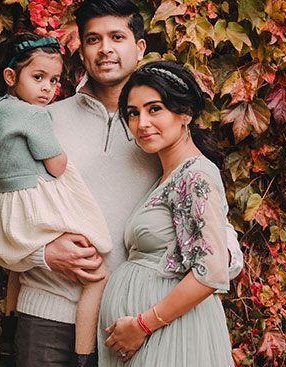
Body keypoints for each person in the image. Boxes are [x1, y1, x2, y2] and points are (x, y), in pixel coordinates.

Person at [0, 1, 243, 366]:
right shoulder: (40, 120)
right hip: (47, 318)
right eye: (93, 39)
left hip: (130, 327)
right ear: (81, 51)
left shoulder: (158, 133)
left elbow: (211, 225)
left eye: (117, 37)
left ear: (140, 47)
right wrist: (44, 254)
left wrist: (218, 264)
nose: (105, 49)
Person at [0, 32, 112, 359]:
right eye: (38, 77)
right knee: (96, 269)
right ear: (11, 77)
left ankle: (9, 331)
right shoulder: (36, 115)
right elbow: (56, 166)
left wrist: (6, 160)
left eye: (54, 80)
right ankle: (85, 356)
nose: (47, 88)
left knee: (17, 267)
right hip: (36, 200)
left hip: (3, 200)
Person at [97, 60, 234, 366]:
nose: (142, 122)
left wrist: (143, 325)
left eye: (154, 109)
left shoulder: (195, 175)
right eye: (133, 113)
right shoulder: (168, 176)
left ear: (185, 113)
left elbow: (211, 270)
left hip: (167, 337)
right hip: (155, 336)